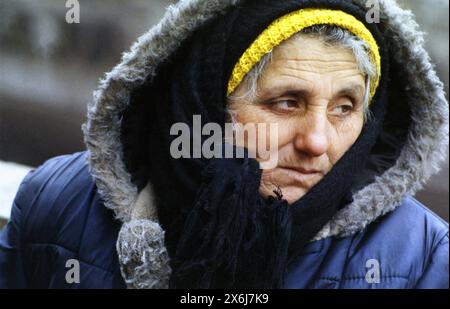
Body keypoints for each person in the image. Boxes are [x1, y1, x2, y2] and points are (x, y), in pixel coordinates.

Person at [0, 0, 448, 289]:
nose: (317, 141)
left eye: (345, 108)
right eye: (286, 102)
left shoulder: (420, 260)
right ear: (203, 100)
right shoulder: (58, 202)